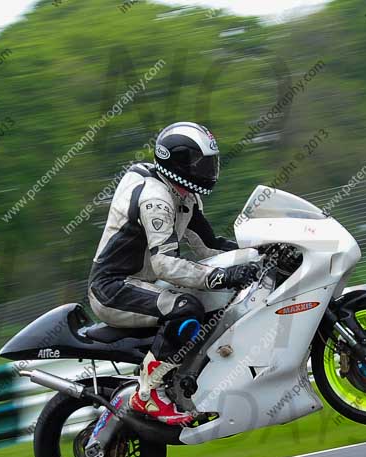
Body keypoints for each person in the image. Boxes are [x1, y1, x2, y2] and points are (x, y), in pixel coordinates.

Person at [88, 122, 259, 425]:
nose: (209, 170)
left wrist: (261, 253)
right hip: (112, 289)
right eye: (202, 163)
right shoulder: (157, 200)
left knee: (212, 305)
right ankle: (147, 394)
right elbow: (165, 265)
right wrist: (221, 277)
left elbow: (208, 246)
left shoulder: (182, 194)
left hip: (140, 283)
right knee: (186, 308)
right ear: (179, 162)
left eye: (210, 162)